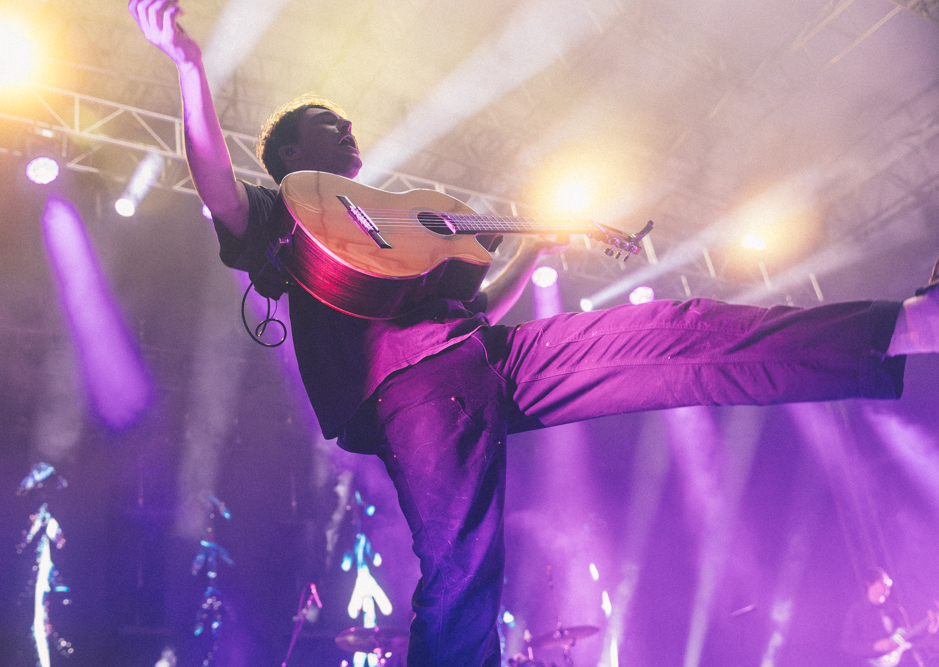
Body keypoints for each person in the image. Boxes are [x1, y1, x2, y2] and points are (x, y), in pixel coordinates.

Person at [129, 1, 939, 664]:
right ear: (291, 152)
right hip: (408, 386)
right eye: (327, 124)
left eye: (348, 124)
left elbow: (478, 312)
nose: (348, 130)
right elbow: (217, 192)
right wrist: (190, 69)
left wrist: (538, 247)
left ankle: (900, 328)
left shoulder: (403, 211)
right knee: (462, 569)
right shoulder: (289, 212)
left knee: (677, 331)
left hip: (487, 357)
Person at [841, 568, 939, 666]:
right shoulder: (857, 611)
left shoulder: (897, 610)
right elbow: (848, 645)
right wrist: (873, 647)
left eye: (889, 581)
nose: (888, 584)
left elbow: (910, 638)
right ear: (870, 583)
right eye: (884, 580)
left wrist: (929, 632)